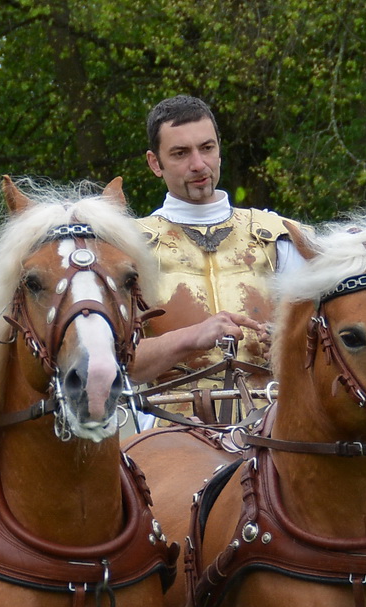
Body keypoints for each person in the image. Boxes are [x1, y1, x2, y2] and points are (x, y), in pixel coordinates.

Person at [134, 95, 297, 393]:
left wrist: (291, 343)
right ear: (155, 163)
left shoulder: (282, 237)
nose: (198, 164)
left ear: (219, 151)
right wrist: (190, 337)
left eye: (207, 148)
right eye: (181, 153)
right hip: (169, 424)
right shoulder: (128, 247)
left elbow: (335, 345)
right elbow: (111, 366)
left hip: (274, 426)